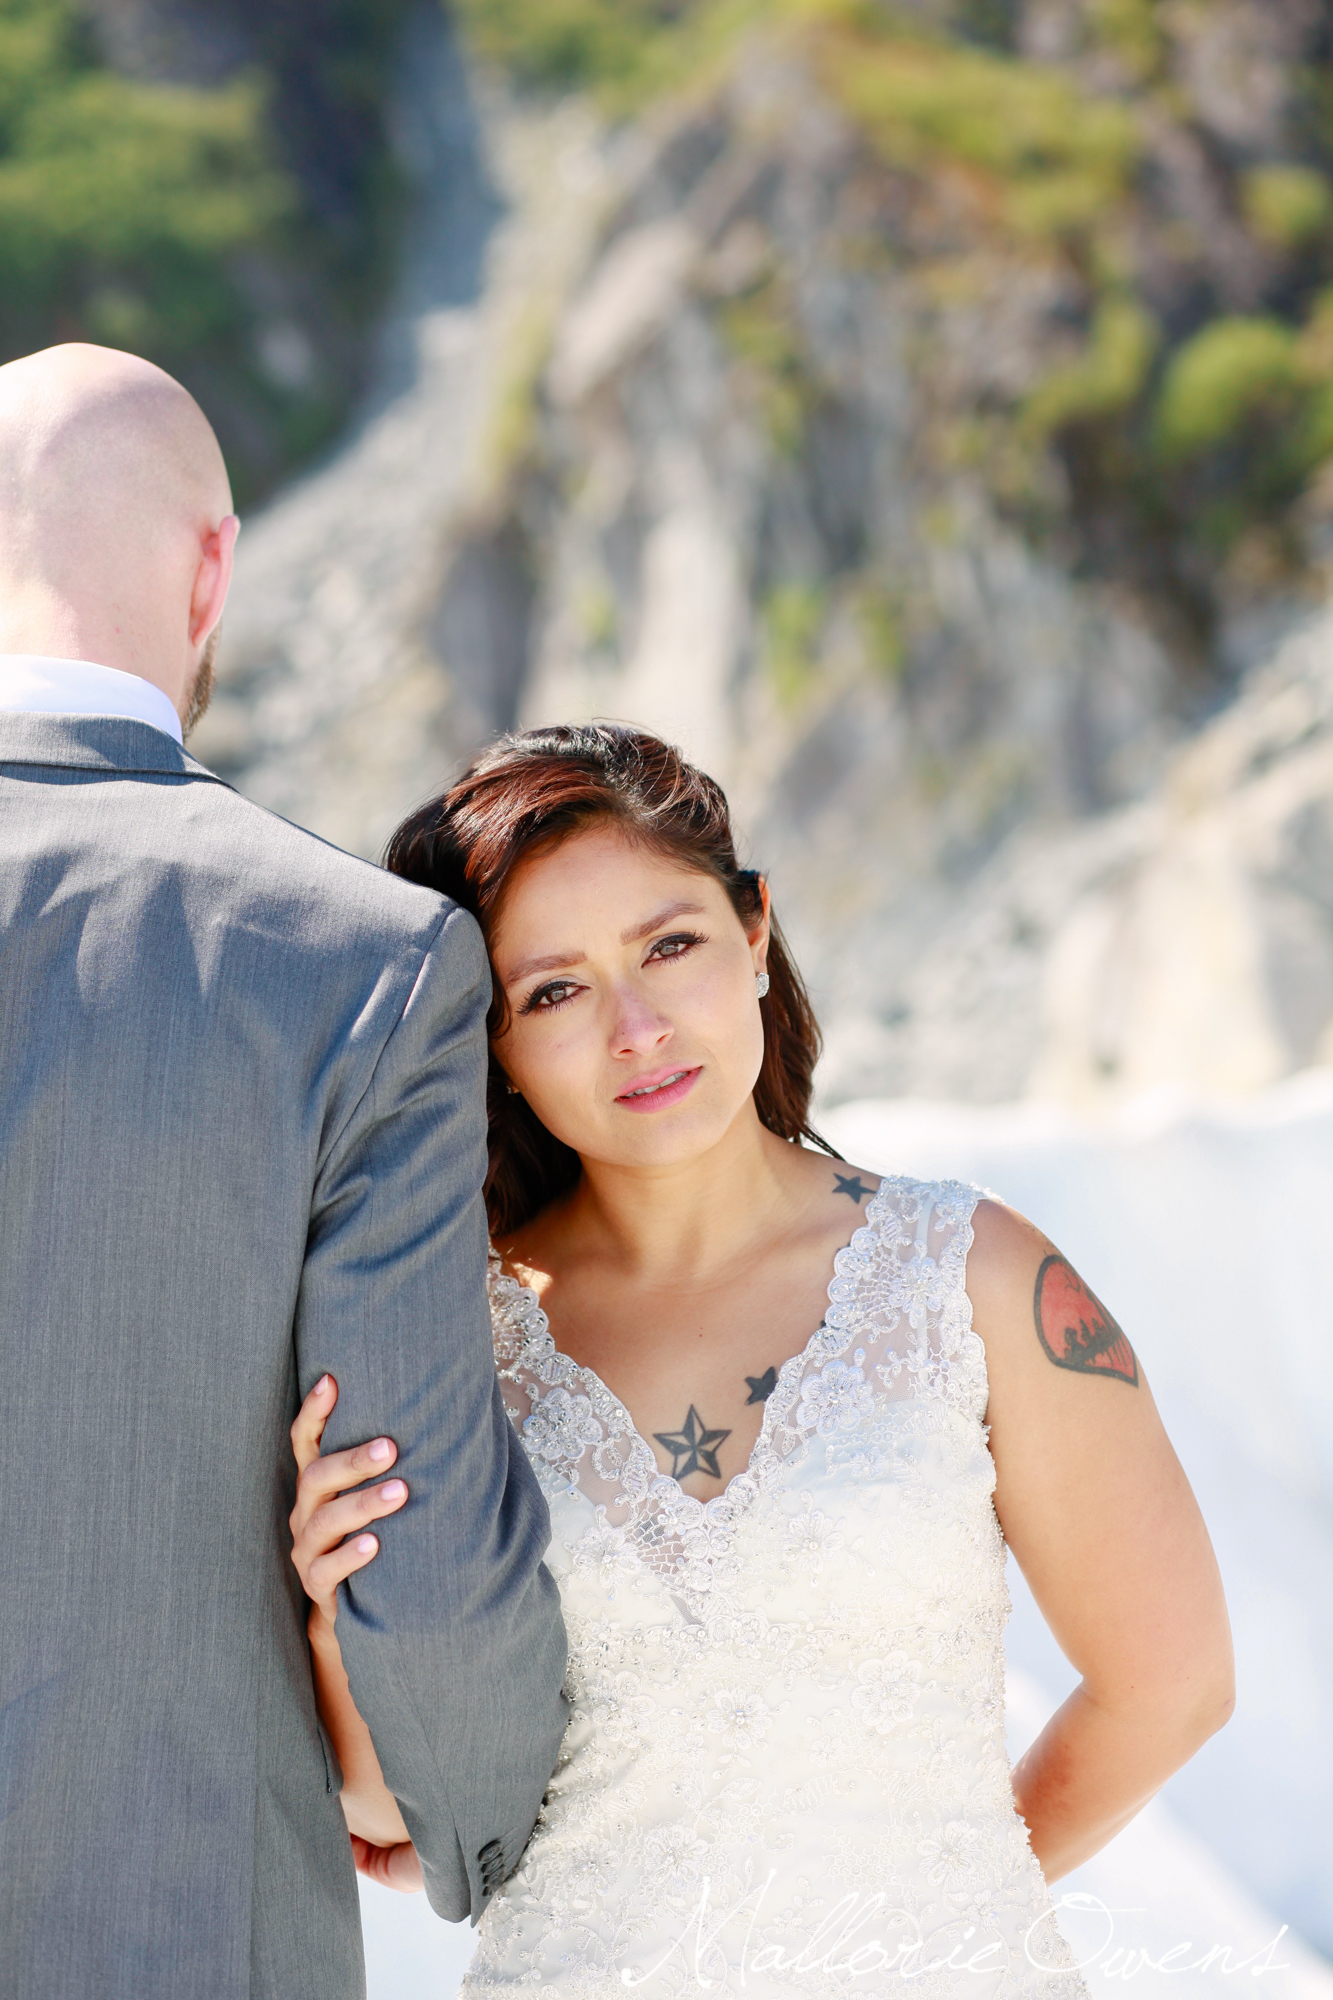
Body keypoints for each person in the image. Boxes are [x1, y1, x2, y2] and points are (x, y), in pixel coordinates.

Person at [291, 723, 1235, 1997]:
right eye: (553, 990)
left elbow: (1168, 1684)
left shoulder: (975, 1275)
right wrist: (333, 1602)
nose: (637, 1027)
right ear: (490, 1044)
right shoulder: (439, 1337)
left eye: (668, 944)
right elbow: (385, 1815)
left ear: (752, 931)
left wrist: (939, 1910)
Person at [0, 344, 567, 2000]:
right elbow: (397, 1505)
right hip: (182, 1925)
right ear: (213, 567)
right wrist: (463, 1820)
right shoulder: (356, 963)